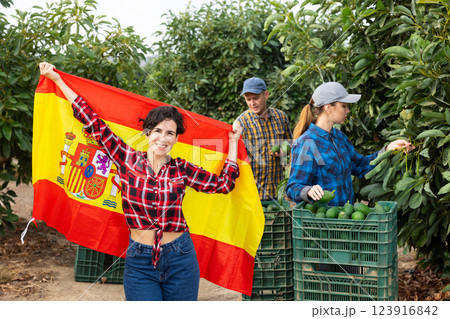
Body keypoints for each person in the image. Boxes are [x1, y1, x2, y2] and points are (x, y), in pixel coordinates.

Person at [39, 62, 243, 301]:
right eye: (157, 131)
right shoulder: (126, 159)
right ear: (147, 133)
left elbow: (223, 184)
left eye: (170, 133)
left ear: (177, 138)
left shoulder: (182, 169)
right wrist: (57, 79)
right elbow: (93, 122)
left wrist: (232, 143)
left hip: (181, 257)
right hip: (139, 260)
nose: (163, 138)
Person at [286, 82, 414, 207]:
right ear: (328, 107)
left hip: (345, 220)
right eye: (343, 106)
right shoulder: (306, 143)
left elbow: (360, 166)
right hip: (322, 222)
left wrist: (388, 150)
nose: (347, 110)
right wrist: (308, 191)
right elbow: (293, 188)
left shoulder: (339, 137)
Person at [233, 77, 292, 201]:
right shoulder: (241, 123)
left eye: (255, 98)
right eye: (248, 99)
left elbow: (290, 146)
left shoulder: (281, 117)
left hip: (278, 194)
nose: (252, 103)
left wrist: (284, 152)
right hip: (252, 196)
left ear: (266, 94)